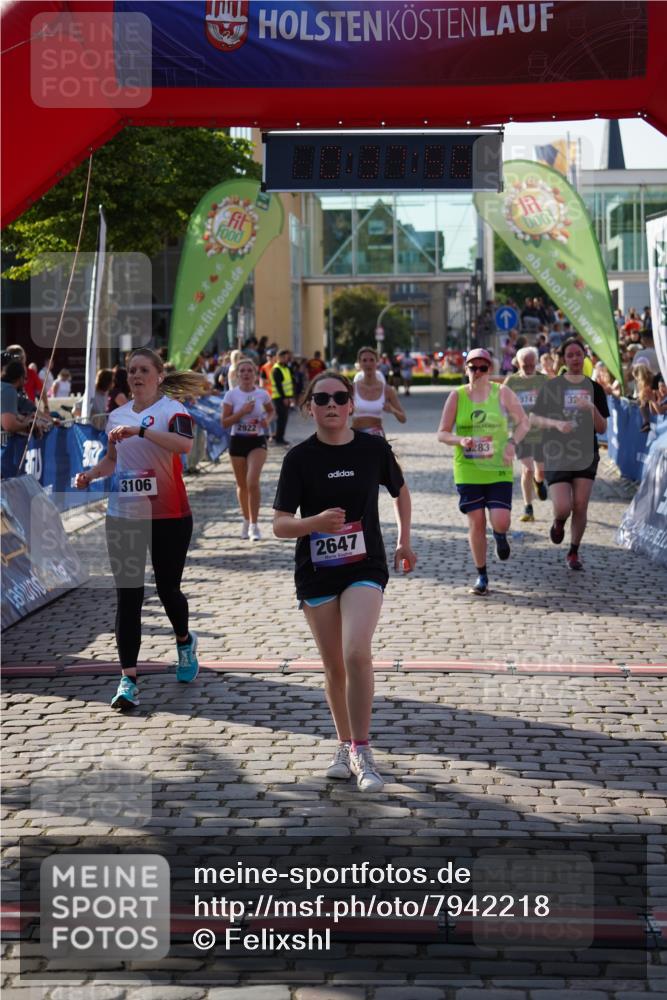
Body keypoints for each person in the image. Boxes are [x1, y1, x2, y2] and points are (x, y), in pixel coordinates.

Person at [273, 371, 416, 793]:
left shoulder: (373, 449)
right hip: (316, 572)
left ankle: (363, 749)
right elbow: (281, 524)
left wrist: (404, 541)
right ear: (310, 408)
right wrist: (313, 523)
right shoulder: (298, 459)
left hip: (364, 566)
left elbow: (400, 492)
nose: (331, 404)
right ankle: (344, 744)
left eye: (339, 397)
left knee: (356, 652)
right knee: (334, 665)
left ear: (351, 405)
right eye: (322, 399)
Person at [74, 348, 207, 710]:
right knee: (128, 596)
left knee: (167, 590)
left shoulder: (173, 411)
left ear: (159, 376)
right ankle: (127, 679)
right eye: (131, 370)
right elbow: (112, 460)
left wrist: (142, 431)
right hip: (124, 514)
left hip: (169, 513)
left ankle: (184, 641)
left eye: (143, 370)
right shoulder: (116, 415)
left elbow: (184, 445)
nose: (136, 376)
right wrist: (91, 475)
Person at [437, 348, 529, 595]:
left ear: (490, 370)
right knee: (476, 522)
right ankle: (482, 575)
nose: (477, 372)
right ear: (465, 370)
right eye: (472, 368)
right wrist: (460, 440)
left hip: (498, 466)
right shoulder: (456, 396)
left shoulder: (502, 393)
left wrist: (512, 443)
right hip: (468, 469)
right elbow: (442, 433)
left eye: (483, 368)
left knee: (500, 520)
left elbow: (523, 422)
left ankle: (500, 536)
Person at [531, 337, 609, 571]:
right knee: (564, 506)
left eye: (579, 354)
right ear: (564, 359)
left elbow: (602, 428)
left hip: (586, 453)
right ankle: (558, 522)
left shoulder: (595, 388)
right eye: (570, 355)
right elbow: (534, 419)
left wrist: (591, 408)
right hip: (558, 452)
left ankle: (574, 552)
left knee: (581, 504)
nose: (575, 358)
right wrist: (556, 424)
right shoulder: (553, 387)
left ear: (584, 356)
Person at [222, 357, 275, 540]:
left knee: (252, 481)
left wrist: (266, 421)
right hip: (237, 440)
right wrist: (242, 412)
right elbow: (224, 422)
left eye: (249, 371)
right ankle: (246, 520)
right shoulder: (231, 395)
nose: (246, 374)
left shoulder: (262, 394)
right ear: (237, 375)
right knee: (242, 485)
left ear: (255, 374)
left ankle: (254, 525)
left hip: (257, 441)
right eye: (242, 371)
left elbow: (271, 411)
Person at [503, 347, 548, 522]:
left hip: (542, 433)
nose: (529, 368)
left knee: (540, 471)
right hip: (520, 433)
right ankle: (528, 507)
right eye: (525, 365)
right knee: (527, 469)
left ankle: (539, 482)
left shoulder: (543, 380)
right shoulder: (511, 382)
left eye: (531, 364)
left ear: (535, 363)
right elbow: (501, 405)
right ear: (518, 364)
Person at [352, 346, 405, 437]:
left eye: (372, 360)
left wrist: (392, 410)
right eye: (364, 360)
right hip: (356, 435)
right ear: (359, 364)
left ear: (377, 363)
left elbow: (403, 418)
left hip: (376, 436)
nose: (368, 364)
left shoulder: (387, 390)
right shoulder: (352, 388)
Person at [269, 348, 294, 445]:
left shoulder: (286, 368)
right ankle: (279, 439)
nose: (285, 359)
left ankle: (281, 437)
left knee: (284, 418)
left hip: (286, 397)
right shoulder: (276, 369)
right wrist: (284, 398)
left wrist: (290, 397)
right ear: (278, 358)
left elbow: (289, 383)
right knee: (281, 418)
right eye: (283, 357)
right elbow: (279, 385)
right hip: (279, 397)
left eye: (286, 357)